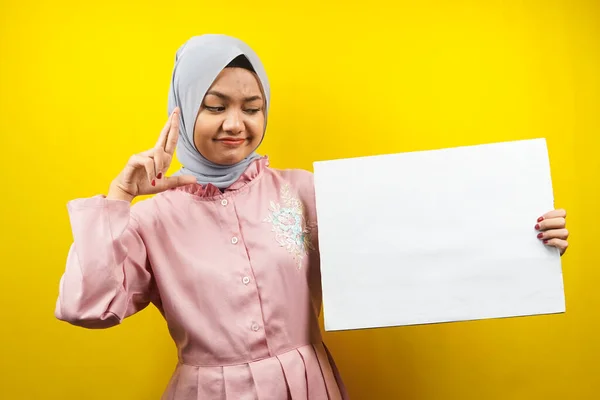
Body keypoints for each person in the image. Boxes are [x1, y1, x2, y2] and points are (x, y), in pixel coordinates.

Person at [54, 34, 570, 400]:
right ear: (182, 113)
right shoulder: (148, 221)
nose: (236, 123)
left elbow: (411, 240)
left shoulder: (302, 192)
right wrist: (118, 198)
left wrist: (523, 238)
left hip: (307, 386)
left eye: (251, 107)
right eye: (214, 106)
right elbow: (88, 307)